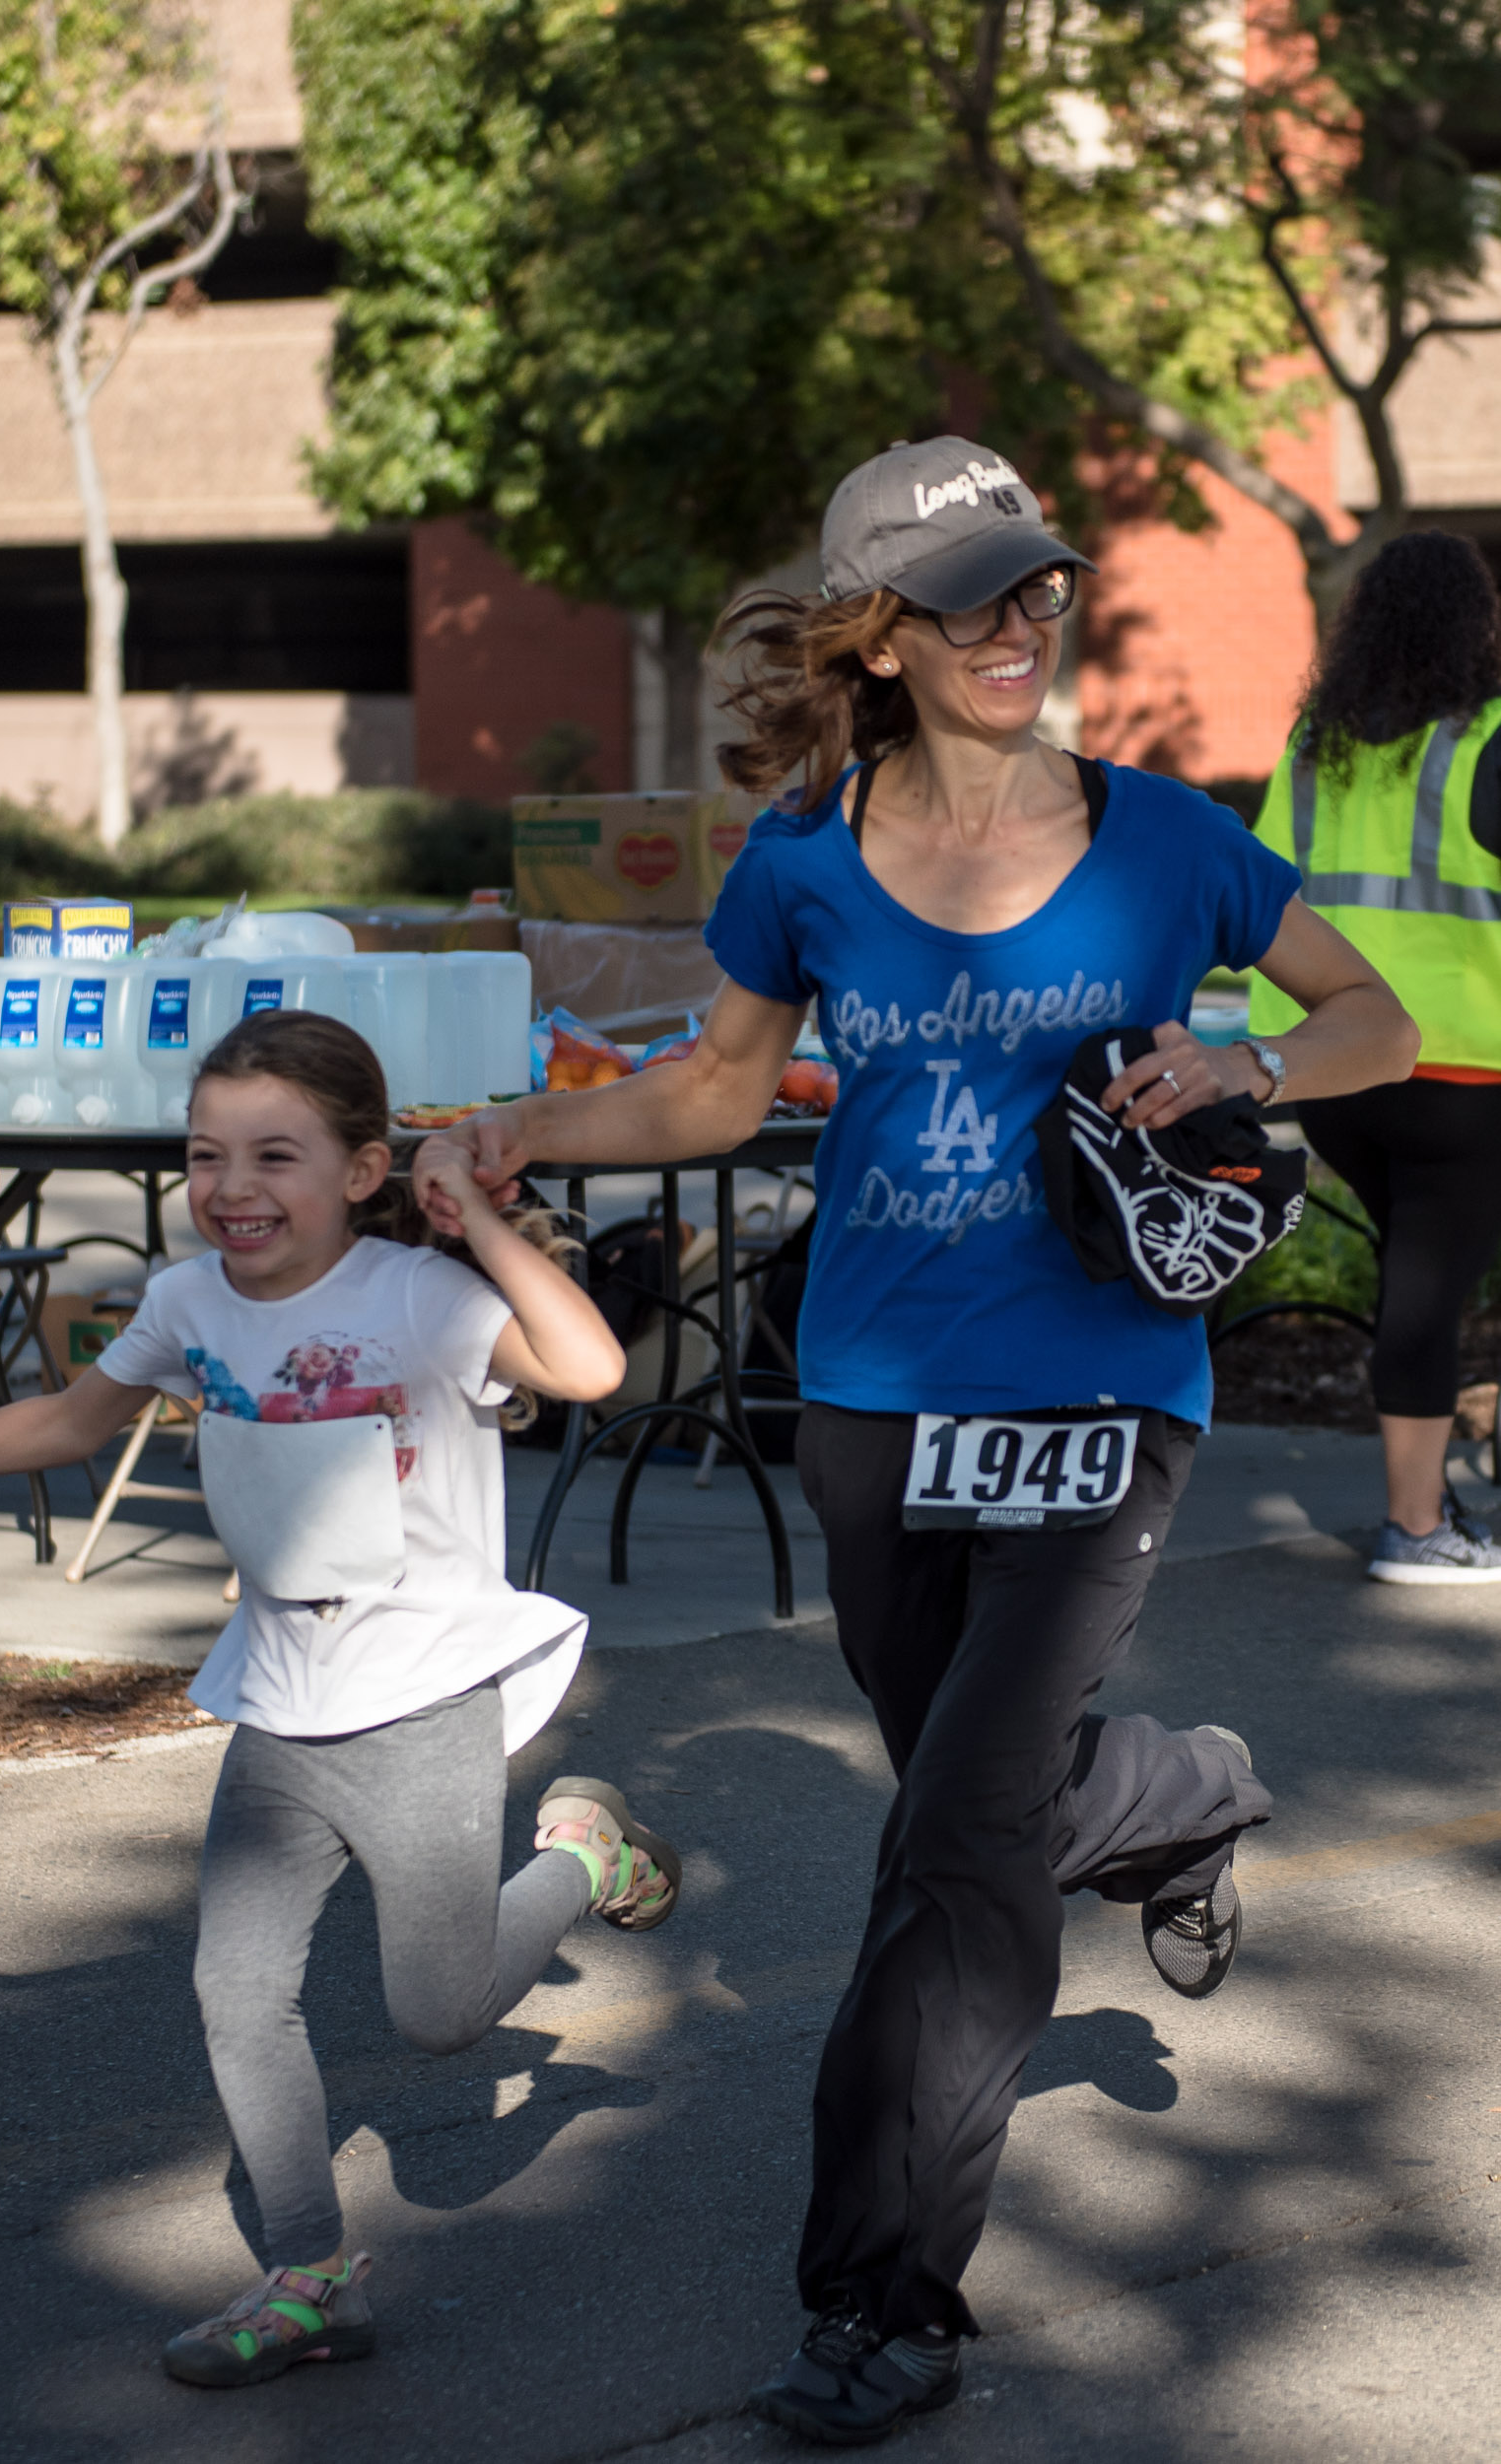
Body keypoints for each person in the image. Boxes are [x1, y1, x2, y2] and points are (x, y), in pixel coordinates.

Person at [418, 437, 1417, 2444]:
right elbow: (713, 1093)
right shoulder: (800, 853)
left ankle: (882, 2292)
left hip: (1103, 1394)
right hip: (871, 1403)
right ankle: (1184, 1792)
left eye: (1036, 584)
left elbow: (1374, 1018)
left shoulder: (1166, 841)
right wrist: (530, 1129)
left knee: (952, 1842)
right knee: (1000, 1792)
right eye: (967, 593)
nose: (1016, 622)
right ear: (875, 629)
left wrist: (1241, 1050)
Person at [0, 1007, 681, 2392]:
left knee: (440, 2016)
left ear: (360, 1169)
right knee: (236, 1991)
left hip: (419, 1701)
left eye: (274, 1155)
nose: (230, 1187)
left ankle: (579, 1858)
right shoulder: (188, 1305)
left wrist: (480, 1223)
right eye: (206, 1153)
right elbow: (72, 1420)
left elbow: (587, 1371)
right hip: (280, 1703)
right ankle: (309, 2275)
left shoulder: (414, 1295)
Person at [1250, 529, 1501, 1583]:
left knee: (1423, 1268)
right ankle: (1415, 1525)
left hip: (1335, 1072)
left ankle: (1440, 1466)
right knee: (1430, 1283)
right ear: (1475, 626)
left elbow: (1255, 889)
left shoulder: (1314, 744)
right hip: (1459, 1071)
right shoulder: (1487, 740)